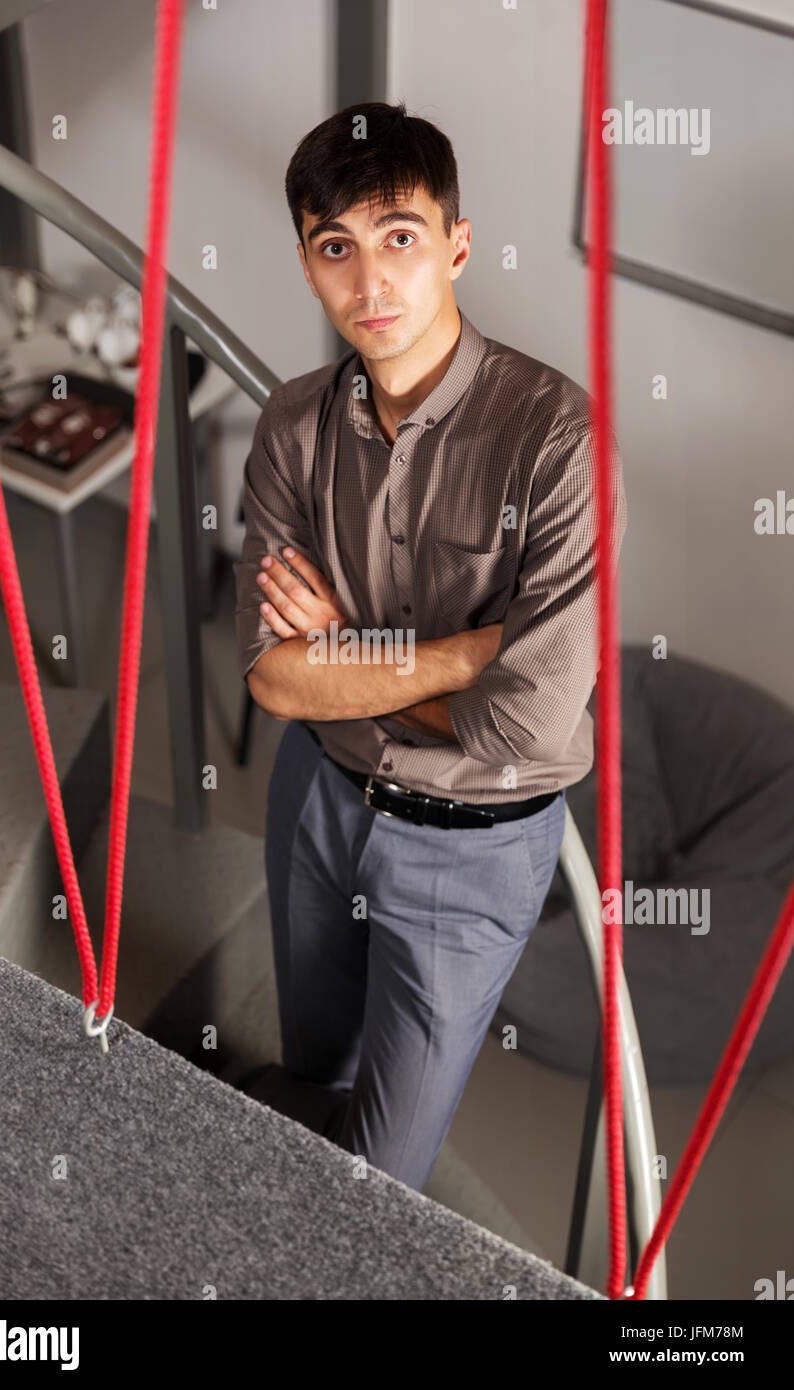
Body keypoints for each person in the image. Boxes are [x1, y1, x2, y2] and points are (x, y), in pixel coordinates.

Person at [233, 101, 626, 1194]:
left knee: (378, 1171)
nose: (370, 284)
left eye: (398, 238)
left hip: (475, 841)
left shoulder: (556, 440)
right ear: (309, 267)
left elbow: (520, 729)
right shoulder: (288, 425)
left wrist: (340, 662)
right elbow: (273, 680)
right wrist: (465, 653)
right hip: (316, 806)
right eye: (335, 248)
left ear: (454, 244)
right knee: (311, 1077)